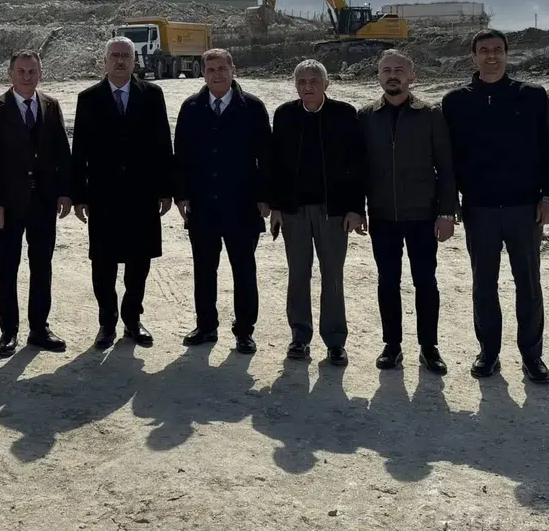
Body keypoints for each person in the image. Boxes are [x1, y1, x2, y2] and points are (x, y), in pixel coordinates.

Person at [441, 29, 549, 384]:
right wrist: (450, 204)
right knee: (484, 284)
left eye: (497, 50)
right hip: (479, 209)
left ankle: (532, 356)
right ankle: (488, 352)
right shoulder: (455, 102)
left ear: (508, 54)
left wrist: (548, 196)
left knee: (529, 284)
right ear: (473, 56)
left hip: (525, 208)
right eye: (484, 50)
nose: (491, 56)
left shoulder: (532, 96)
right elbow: (447, 160)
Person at [357, 50, 458, 375]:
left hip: (422, 216)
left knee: (425, 282)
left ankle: (429, 348)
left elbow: (446, 167)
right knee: (387, 282)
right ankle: (392, 345)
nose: (392, 75)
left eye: (399, 70)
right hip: (383, 215)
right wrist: (358, 209)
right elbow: (357, 169)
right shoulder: (366, 116)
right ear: (378, 76)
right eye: (386, 70)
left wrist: (447, 213)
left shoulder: (430, 115)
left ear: (412, 76)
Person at [70, 37, 174, 350]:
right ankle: (106, 322)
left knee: (139, 260)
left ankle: (132, 319)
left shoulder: (152, 95)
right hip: (103, 195)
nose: (120, 61)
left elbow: (162, 144)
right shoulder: (89, 98)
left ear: (134, 60)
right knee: (103, 262)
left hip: (142, 194)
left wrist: (166, 189)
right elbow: (79, 151)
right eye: (114, 55)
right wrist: (79, 195)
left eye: (126, 56)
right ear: (104, 61)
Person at [173, 49, 273, 354]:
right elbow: (181, 156)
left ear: (233, 70)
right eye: (210, 69)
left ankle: (244, 331)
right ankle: (206, 326)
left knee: (244, 270)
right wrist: (181, 195)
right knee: (205, 269)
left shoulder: (252, 107)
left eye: (222, 68)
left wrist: (265, 197)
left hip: (242, 204)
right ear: (203, 73)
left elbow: (267, 157)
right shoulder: (191, 107)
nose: (216, 74)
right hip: (202, 203)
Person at [268, 59, 365, 364]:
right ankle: (300, 337)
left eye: (314, 81)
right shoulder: (284, 115)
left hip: (333, 212)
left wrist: (355, 209)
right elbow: (275, 164)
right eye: (302, 82)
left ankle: (335, 341)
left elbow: (357, 165)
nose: (307, 87)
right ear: (295, 85)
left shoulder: (344, 114)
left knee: (332, 275)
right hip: (294, 212)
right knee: (298, 275)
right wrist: (276, 207)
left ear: (326, 84)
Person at [0, 50, 73, 356]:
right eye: (21, 71)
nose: (27, 77)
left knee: (42, 266)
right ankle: (8, 331)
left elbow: (62, 153)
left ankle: (39, 328)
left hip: (43, 202)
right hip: (7, 205)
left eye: (32, 72)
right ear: (10, 74)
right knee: (7, 267)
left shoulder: (51, 105)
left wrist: (65, 191)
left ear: (40, 74)